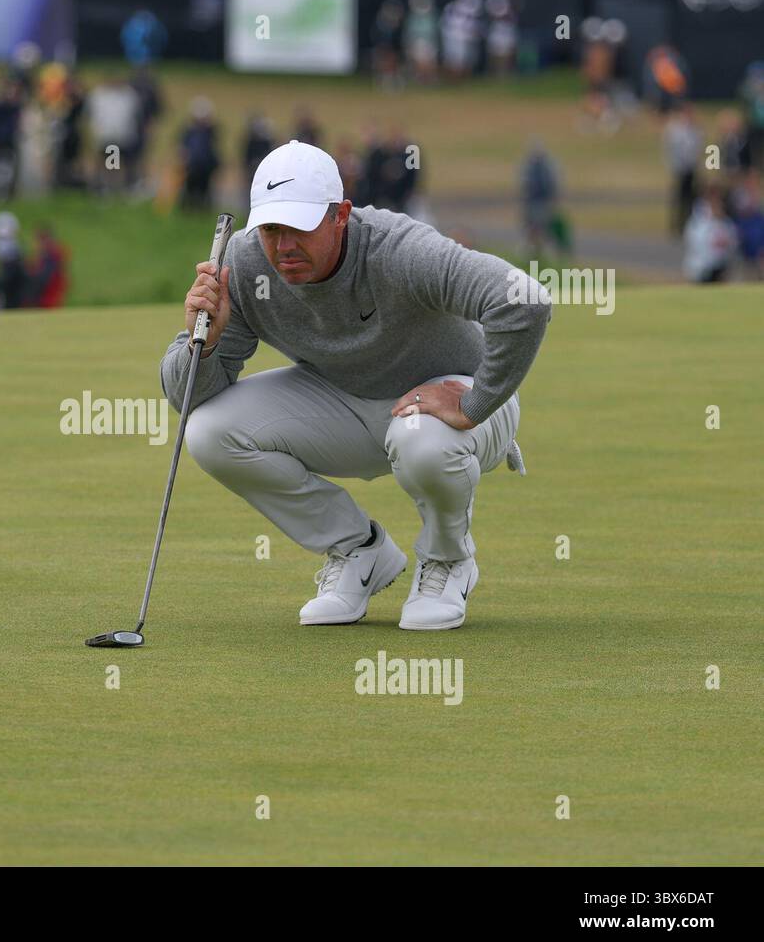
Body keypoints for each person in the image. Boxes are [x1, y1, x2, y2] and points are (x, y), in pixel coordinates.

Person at [163, 140, 550, 631]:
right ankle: (358, 550)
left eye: (299, 228)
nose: (283, 247)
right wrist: (207, 343)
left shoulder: (399, 249)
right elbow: (188, 398)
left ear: (340, 215)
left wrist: (477, 402)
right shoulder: (245, 266)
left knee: (423, 442)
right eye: (271, 229)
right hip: (349, 402)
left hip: (459, 410)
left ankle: (449, 560)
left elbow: (525, 300)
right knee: (208, 431)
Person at [663, 104, 702, 238]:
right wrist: (673, 165)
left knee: (691, 199)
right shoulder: (674, 130)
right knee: (679, 198)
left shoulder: (696, 130)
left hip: (692, 168)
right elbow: (669, 150)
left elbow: (699, 148)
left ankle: (689, 225)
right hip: (679, 168)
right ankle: (676, 227)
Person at [683, 190, 737, 283]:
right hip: (702, 266)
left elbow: (733, 243)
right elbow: (695, 244)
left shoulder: (727, 224)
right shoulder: (699, 224)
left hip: (720, 265)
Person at [28, 225, 68, 308]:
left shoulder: (51, 254)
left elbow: (44, 277)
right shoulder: (45, 254)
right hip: (48, 291)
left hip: (48, 293)